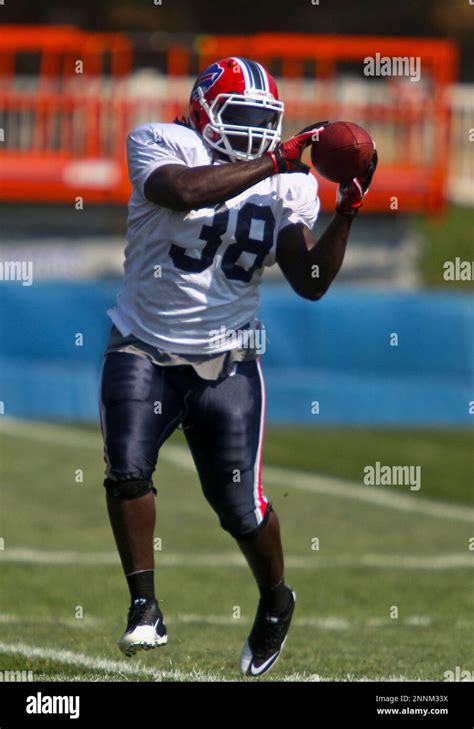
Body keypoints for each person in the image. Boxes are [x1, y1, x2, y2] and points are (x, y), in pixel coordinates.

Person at [99, 56, 377, 677]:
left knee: (239, 508)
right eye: (240, 116)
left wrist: (347, 212)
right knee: (127, 472)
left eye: (263, 121)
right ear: (203, 112)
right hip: (143, 343)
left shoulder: (291, 183)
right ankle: (144, 606)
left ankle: (277, 601)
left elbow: (308, 282)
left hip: (228, 358)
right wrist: (276, 162)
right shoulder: (159, 140)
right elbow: (182, 191)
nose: (253, 131)